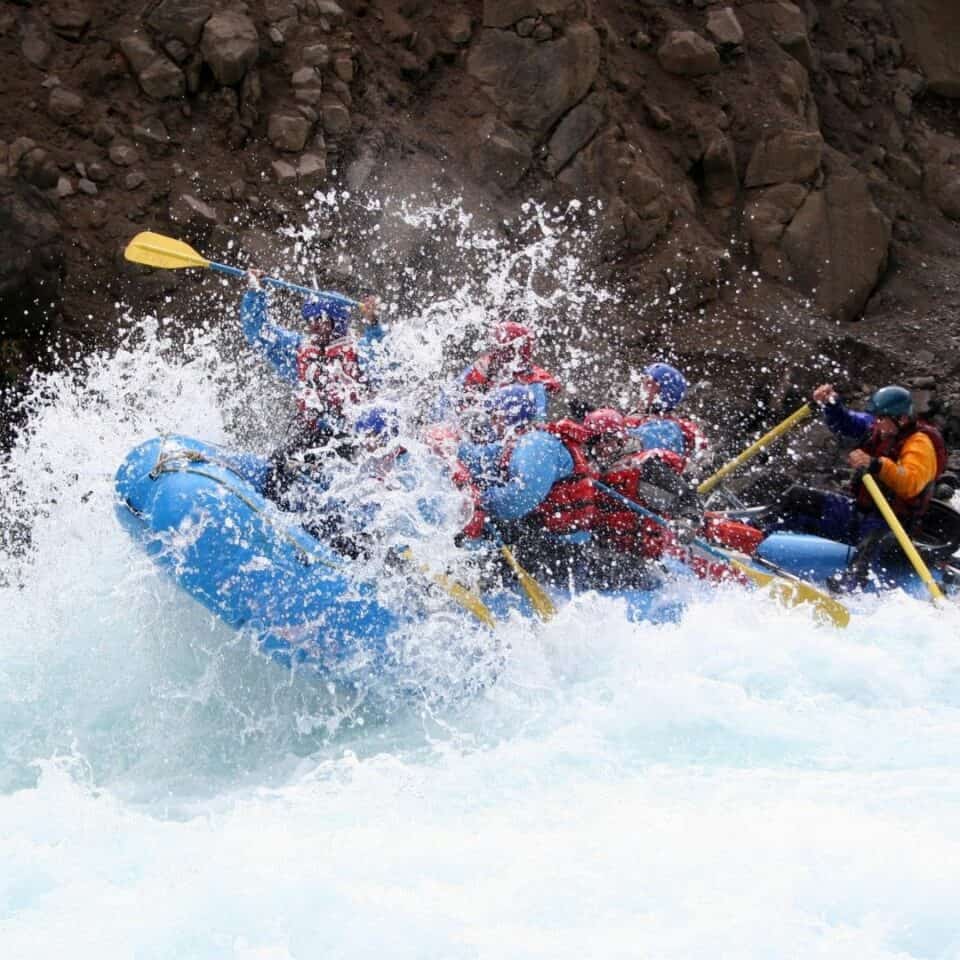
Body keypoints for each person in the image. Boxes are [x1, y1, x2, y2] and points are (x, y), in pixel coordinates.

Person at [768, 384, 948, 568]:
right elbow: (848, 422)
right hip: (859, 514)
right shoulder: (880, 428)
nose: (876, 422)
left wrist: (875, 464)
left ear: (901, 419)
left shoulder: (921, 443)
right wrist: (832, 404)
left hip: (892, 527)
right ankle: (752, 532)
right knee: (797, 496)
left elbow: (911, 482)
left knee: (871, 545)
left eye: (881, 418)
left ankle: (847, 590)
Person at [240, 269, 378, 501]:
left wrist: (373, 322)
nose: (314, 326)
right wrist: (256, 293)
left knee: (316, 468)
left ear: (337, 322)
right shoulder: (299, 349)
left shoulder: (360, 351)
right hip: (313, 432)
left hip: (352, 435)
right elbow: (259, 333)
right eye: (311, 320)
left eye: (320, 321)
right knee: (279, 463)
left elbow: (384, 355)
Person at [459, 321, 562, 415]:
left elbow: (537, 425)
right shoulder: (483, 366)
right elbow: (450, 396)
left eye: (499, 348)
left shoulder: (533, 387)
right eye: (494, 347)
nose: (493, 352)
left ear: (513, 352)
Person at [625, 362, 708, 471]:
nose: (642, 389)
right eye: (643, 382)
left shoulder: (667, 429)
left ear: (665, 394)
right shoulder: (640, 418)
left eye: (649, 384)